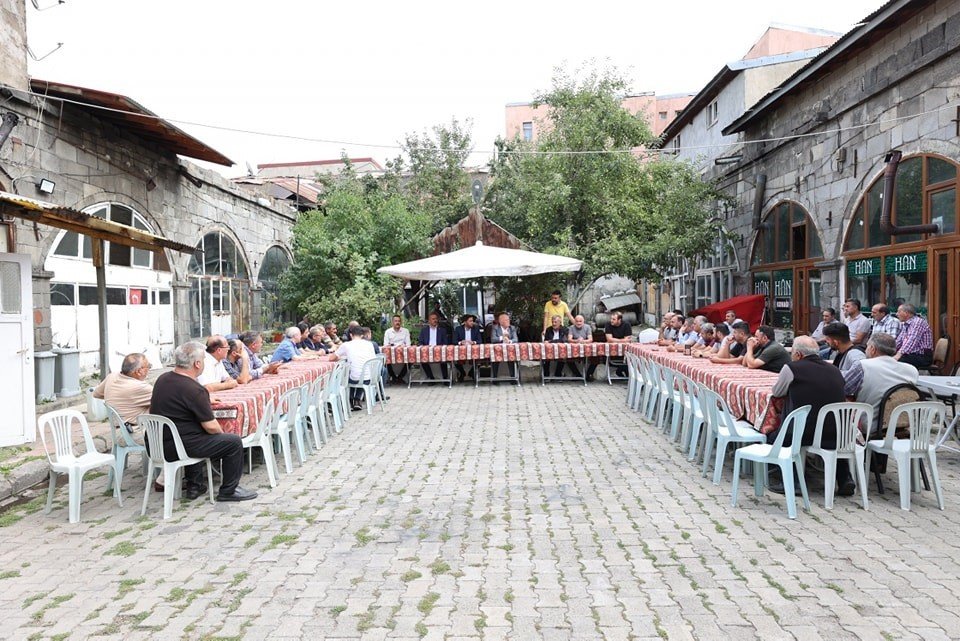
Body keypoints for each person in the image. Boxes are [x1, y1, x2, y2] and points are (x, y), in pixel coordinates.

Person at [148, 341, 256, 502]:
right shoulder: (194, 389)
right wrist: (221, 439)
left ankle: (195, 485)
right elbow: (211, 427)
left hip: (156, 444)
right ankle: (229, 490)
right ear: (197, 364)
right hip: (179, 447)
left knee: (195, 432)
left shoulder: (163, 379)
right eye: (204, 360)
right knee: (232, 442)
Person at [766, 336, 853, 496]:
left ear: (798, 354)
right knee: (829, 425)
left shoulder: (792, 368)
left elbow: (777, 392)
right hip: (839, 433)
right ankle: (844, 478)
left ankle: (793, 481)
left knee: (776, 436)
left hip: (804, 433)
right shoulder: (834, 369)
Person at [844, 333, 920, 431]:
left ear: (872, 349)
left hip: (871, 426)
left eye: (867, 347)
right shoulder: (912, 370)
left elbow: (843, 388)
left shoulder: (863, 366)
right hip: (904, 425)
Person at [93, 352, 153, 430]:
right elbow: (166, 399)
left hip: (118, 430)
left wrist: (118, 397)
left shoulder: (112, 376)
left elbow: (96, 394)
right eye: (148, 366)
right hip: (138, 432)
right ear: (138, 371)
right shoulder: (140, 387)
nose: (149, 369)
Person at [337, 325, 378, 411]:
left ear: (351, 335)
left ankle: (351, 399)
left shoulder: (346, 345)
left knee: (349, 374)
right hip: (369, 378)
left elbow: (332, 357)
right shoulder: (369, 345)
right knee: (360, 373)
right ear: (362, 335)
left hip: (354, 378)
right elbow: (373, 359)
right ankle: (357, 400)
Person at [894, 304, 933, 368]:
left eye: (898, 311)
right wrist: (889, 351)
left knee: (895, 361)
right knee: (887, 358)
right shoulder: (906, 324)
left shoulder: (918, 322)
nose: (896, 314)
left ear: (906, 313)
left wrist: (898, 355)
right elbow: (899, 341)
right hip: (912, 355)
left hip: (922, 356)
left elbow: (911, 341)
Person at [417, 312, 450, 380]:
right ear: (429, 321)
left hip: (439, 351)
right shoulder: (424, 330)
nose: (435, 320)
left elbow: (445, 342)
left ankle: (445, 378)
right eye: (433, 319)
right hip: (427, 351)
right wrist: (424, 347)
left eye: (436, 319)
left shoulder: (442, 330)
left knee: (443, 359)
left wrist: (440, 348)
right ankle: (431, 377)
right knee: (422, 360)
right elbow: (420, 342)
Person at [383, 314, 411, 384]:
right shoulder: (388, 332)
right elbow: (386, 345)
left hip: (403, 353)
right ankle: (394, 377)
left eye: (399, 321)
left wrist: (396, 345)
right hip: (391, 354)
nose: (397, 322)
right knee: (385, 359)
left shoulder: (405, 331)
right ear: (392, 322)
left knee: (411, 358)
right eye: (395, 321)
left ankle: (400, 377)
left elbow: (408, 344)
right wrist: (398, 345)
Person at [454, 314, 483, 382]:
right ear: (465, 322)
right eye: (470, 321)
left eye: (472, 321)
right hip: (461, 350)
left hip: (473, 350)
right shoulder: (458, 329)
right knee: (455, 359)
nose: (472, 322)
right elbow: (454, 341)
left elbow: (480, 340)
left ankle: (471, 373)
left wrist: (473, 342)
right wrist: (460, 342)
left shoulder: (476, 329)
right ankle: (462, 373)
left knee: (479, 358)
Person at [491, 311, 519, 381]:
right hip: (497, 350)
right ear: (501, 321)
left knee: (512, 357)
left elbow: (516, 339)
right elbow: (493, 339)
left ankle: (513, 378)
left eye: (508, 319)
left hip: (510, 350)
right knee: (495, 359)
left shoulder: (512, 328)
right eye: (507, 320)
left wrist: (510, 341)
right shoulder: (495, 328)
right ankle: (494, 378)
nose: (509, 321)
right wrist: (502, 338)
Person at [604, 311, 632, 377]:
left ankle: (623, 373)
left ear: (619, 320)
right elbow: (609, 339)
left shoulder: (626, 325)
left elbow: (628, 341)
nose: (611, 321)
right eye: (611, 319)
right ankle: (620, 371)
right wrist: (622, 340)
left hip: (625, 350)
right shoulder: (608, 324)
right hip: (612, 349)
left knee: (629, 357)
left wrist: (615, 340)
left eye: (614, 319)